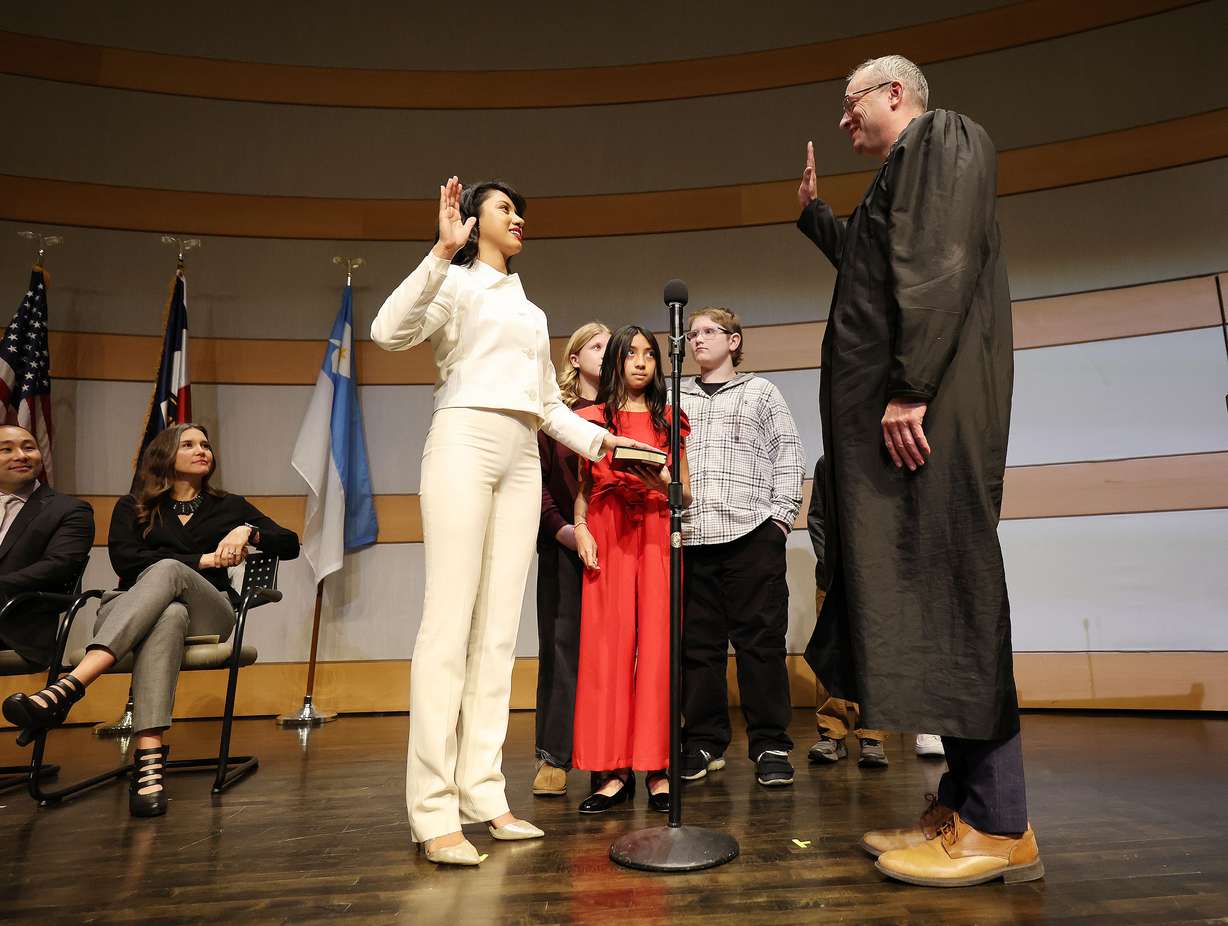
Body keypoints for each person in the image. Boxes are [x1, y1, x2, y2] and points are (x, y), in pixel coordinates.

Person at [795, 55, 1042, 887]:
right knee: (930, 607)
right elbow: (878, 270)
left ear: (896, 95)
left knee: (957, 600)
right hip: (906, 424)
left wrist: (910, 387)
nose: (843, 120)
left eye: (851, 102)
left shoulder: (946, 139)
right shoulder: (904, 173)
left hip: (926, 419)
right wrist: (818, 218)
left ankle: (1003, 825)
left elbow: (936, 264)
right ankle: (965, 806)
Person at [371, 178, 648, 866]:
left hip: (524, 452)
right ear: (471, 221)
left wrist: (609, 444)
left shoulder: (529, 309)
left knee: (498, 634)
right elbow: (387, 331)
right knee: (449, 626)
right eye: (504, 208)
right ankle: (432, 810)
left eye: (520, 210)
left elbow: (548, 406)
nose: (518, 217)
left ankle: (483, 793)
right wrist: (440, 251)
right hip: (464, 438)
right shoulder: (455, 285)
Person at [3, 424, 299, 817]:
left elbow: (290, 543)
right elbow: (126, 562)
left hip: (208, 613)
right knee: (169, 611)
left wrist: (249, 531)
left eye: (206, 445)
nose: (202, 451)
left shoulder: (230, 506)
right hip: (130, 607)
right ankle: (149, 763)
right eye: (189, 444)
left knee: (169, 573)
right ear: (163, 456)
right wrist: (205, 559)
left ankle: (68, 687)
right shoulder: (135, 505)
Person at [677, 308, 805, 788]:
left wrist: (779, 521)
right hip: (691, 537)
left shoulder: (761, 393)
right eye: (692, 334)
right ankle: (704, 742)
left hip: (752, 535)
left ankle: (770, 744)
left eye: (709, 331)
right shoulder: (674, 394)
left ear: (733, 341)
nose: (697, 339)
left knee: (761, 646)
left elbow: (788, 454)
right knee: (698, 649)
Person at [572, 325, 690, 815]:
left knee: (659, 644)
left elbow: (684, 494)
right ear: (616, 360)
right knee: (607, 646)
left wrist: (663, 479)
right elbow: (581, 486)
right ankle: (612, 771)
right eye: (631, 354)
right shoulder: (591, 418)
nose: (641, 362)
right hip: (606, 523)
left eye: (650, 354)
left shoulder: (668, 420)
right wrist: (579, 526)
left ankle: (657, 767)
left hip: (656, 526)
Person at [532, 321, 610, 797]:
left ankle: (611, 759)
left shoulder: (628, 414)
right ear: (575, 358)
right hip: (562, 545)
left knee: (615, 654)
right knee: (561, 650)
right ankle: (553, 757)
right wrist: (566, 532)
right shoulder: (553, 416)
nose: (606, 352)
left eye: (611, 346)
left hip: (617, 552)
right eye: (595, 346)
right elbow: (536, 483)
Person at [805, 456, 888, 768]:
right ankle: (831, 733)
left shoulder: (887, 461)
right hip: (833, 577)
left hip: (879, 579)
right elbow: (817, 519)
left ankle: (873, 735)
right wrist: (834, 568)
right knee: (831, 652)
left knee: (875, 654)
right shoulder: (829, 463)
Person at [0, 424, 94, 668]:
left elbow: (58, 567)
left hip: (17, 627)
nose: (21, 456)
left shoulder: (69, 510)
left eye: (29, 448)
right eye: (6, 450)